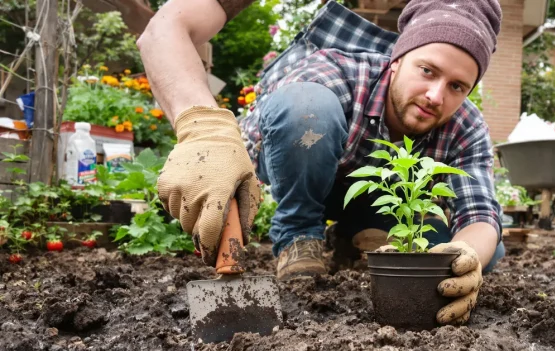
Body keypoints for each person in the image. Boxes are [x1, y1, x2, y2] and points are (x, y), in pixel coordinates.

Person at [137, 0, 505, 325]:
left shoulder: (466, 125)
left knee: (475, 251)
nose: (436, 95)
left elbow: (480, 213)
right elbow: (291, 111)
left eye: (457, 86)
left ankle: (357, 236)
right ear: (397, 61)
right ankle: (298, 234)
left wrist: (468, 254)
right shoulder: (342, 70)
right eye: (428, 70)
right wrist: (211, 146)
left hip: (376, 201)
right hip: (304, 176)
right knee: (308, 110)